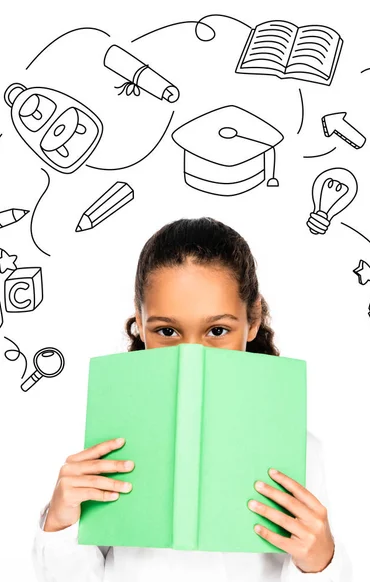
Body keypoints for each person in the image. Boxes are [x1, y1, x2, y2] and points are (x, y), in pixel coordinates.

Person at [32, 217, 351, 581]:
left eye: (217, 330)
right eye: (167, 330)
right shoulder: (105, 442)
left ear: (252, 320)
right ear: (140, 322)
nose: (192, 355)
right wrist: (59, 524)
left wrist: (320, 562)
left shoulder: (300, 452)